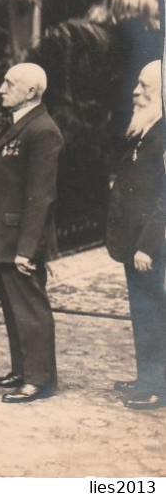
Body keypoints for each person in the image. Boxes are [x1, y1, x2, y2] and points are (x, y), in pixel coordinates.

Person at [0, 62, 64, 403]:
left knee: (30, 308)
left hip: (20, 239)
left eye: (9, 84)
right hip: (6, 236)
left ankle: (39, 380)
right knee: (14, 308)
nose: (0, 88)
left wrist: (27, 248)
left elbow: (41, 196)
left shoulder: (43, 130)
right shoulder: (21, 125)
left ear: (31, 92)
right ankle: (23, 369)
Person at [106, 61, 166, 410]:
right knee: (144, 313)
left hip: (151, 247)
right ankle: (147, 378)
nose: (135, 92)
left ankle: (156, 387)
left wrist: (147, 245)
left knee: (154, 315)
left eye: (144, 87)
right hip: (136, 244)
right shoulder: (146, 130)